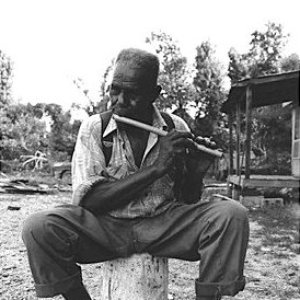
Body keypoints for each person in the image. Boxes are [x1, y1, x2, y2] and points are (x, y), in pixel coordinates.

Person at [22, 48, 249, 300]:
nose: (119, 100)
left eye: (132, 94)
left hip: (164, 224)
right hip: (105, 228)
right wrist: (156, 169)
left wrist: (195, 173)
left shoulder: (176, 128)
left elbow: (187, 200)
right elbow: (90, 201)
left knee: (231, 214)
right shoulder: (94, 129)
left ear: (154, 94)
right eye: (115, 90)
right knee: (38, 227)